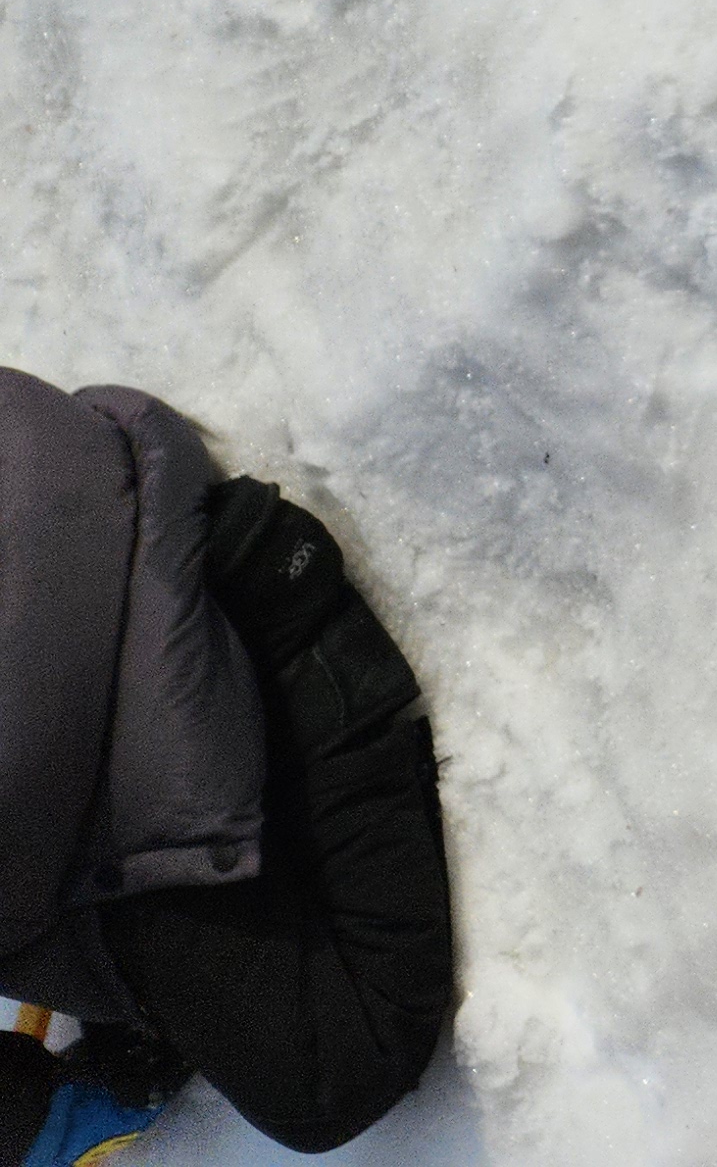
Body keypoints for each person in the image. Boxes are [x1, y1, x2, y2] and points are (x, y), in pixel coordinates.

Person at [0, 371, 455, 1158]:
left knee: (330, 1076)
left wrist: (32, 1119)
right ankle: (184, 604)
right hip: (56, 473)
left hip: (85, 716)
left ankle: (291, 662)